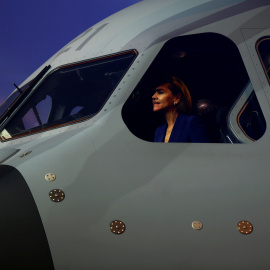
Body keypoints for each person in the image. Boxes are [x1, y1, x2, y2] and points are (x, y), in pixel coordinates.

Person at [152, 76, 210, 143]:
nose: (153, 96)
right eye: (155, 92)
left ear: (177, 98)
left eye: (161, 92)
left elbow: (205, 152)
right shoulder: (159, 131)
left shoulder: (191, 123)